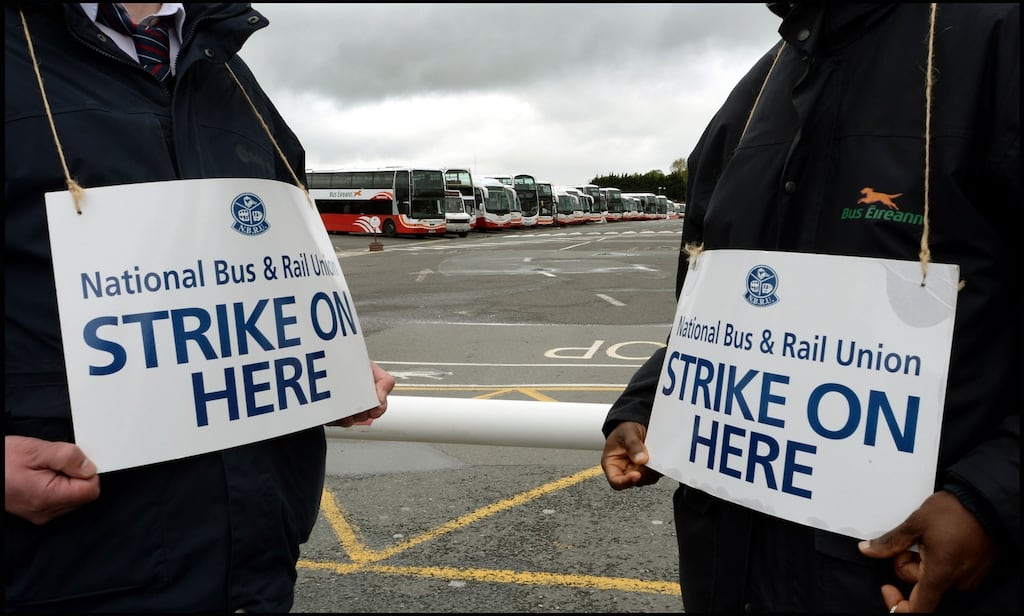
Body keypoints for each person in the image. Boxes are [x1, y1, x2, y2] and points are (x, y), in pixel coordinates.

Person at [600, 3, 1019, 613]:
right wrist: (651, 404)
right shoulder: (752, 96)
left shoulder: (994, 43)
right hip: (727, 577)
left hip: (900, 582)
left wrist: (993, 499)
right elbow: (722, 316)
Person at [5, 3, 395, 612]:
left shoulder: (225, 67)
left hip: (253, 565)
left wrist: (328, 368)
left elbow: (263, 263)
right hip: (62, 568)